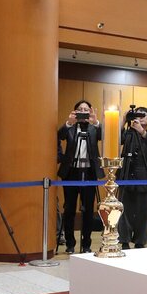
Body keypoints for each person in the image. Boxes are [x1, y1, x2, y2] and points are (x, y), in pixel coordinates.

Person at [57, 100, 102, 254]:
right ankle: (70, 243)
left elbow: (107, 135)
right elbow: (59, 136)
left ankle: (87, 244)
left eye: (86, 109)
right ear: (75, 112)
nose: (83, 112)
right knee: (69, 209)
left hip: (89, 172)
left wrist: (96, 122)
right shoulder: (70, 127)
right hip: (71, 172)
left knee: (88, 210)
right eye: (80, 109)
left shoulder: (94, 128)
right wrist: (69, 123)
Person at [117, 111, 147, 249]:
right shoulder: (128, 133)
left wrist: (141, 131)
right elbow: (115, 138)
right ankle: (124, 239)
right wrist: (123, 120)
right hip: (127, 175)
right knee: (124, 210)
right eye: (137, 117)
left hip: (144, 178)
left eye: (143, 117)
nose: (140, 119)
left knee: (142, 211)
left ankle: (140, 241)